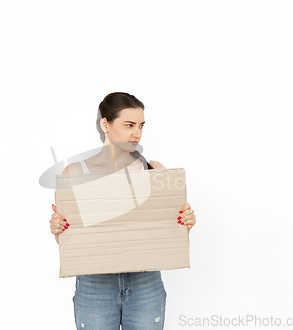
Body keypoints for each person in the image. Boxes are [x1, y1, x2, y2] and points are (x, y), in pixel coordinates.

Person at [49, 92, 197, 329]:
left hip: (145, 282)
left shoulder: (154, 170)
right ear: (105, 124)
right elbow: (68, 241)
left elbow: (168, 233)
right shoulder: (76, 173)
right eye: (129, 125)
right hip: (95, 285)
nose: (136, 133)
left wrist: (184, 223)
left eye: (141, 125)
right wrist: (58, 230)